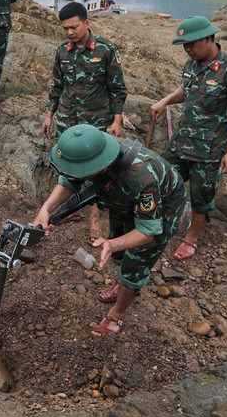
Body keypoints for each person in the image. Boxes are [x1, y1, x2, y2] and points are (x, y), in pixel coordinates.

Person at [33, 124, 186, 337]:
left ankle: (117, 313)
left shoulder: (141, 177)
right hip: (122, 200)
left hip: (163, 206)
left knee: (136, 262)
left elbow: (148, 232)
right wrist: (46, 210)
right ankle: (120, 283)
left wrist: (112, 244)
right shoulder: (92, 151)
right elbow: (69, 179)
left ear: (95, 167)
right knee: (120, 251)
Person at [150, 16, 227, 261]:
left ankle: (191, 237)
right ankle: (157, 222)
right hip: (182, 141)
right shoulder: (192, 62)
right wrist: (165, 101)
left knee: (201, 196)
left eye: (191, 44)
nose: (187, 49)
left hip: (209, 150)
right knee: (161, 178)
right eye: (184, 45)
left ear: (209, 38)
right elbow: (187, 90)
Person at [42, 1, 128, 243]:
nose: (69, 32)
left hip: (96, 121)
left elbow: (118, 89)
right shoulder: (62, 51)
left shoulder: (106, 49)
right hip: (68, 119)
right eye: (65, 28)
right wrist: (49, 115)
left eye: (74, 27)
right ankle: (73, 208)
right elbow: (57, 86)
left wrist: (117, 119)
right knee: (69, 163)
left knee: (99, 169)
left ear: (86, 23)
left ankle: (95, 217)